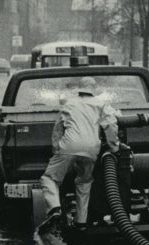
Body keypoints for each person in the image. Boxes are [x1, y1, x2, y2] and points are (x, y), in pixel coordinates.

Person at [38, 77, 120, 236]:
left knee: (49, 178)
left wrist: (56, 148)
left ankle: (55, 209)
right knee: (84, 182)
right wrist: (114, 147)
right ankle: (81, 222)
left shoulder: (69, 103)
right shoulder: (101, 104)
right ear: (93, 89)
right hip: (91, 149)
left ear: (79, 89)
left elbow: (58, 129)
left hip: (69, 146)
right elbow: (110, 126)